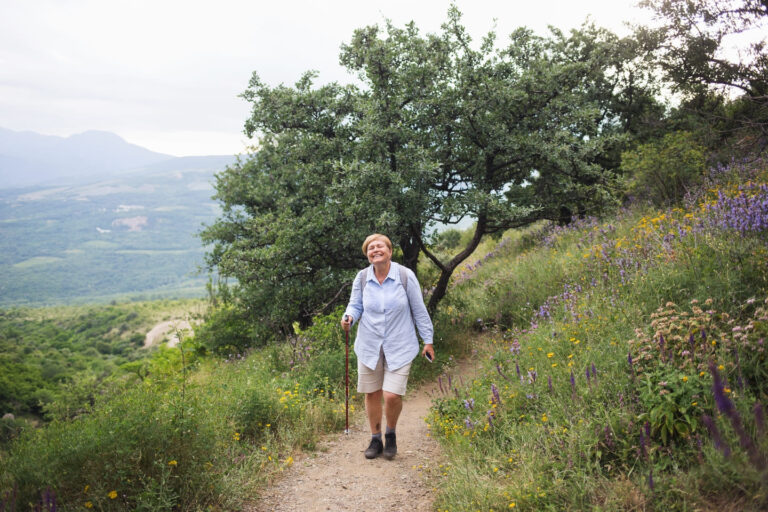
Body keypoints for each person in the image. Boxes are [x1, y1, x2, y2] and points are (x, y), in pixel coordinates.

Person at [341, 233, 435, 460]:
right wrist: (349, 317)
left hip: (400, 344)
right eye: (370, 248)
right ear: (367, 255)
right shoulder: (362, 278)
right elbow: (355, 305)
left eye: (379, 246)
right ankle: (375, 439)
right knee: (372, 393)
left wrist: (428, 340)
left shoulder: (405, 275)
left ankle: (390, 434)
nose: (375, 250)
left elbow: (419, 310)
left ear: (390, 251)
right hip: (369, 344)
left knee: (392, 395)